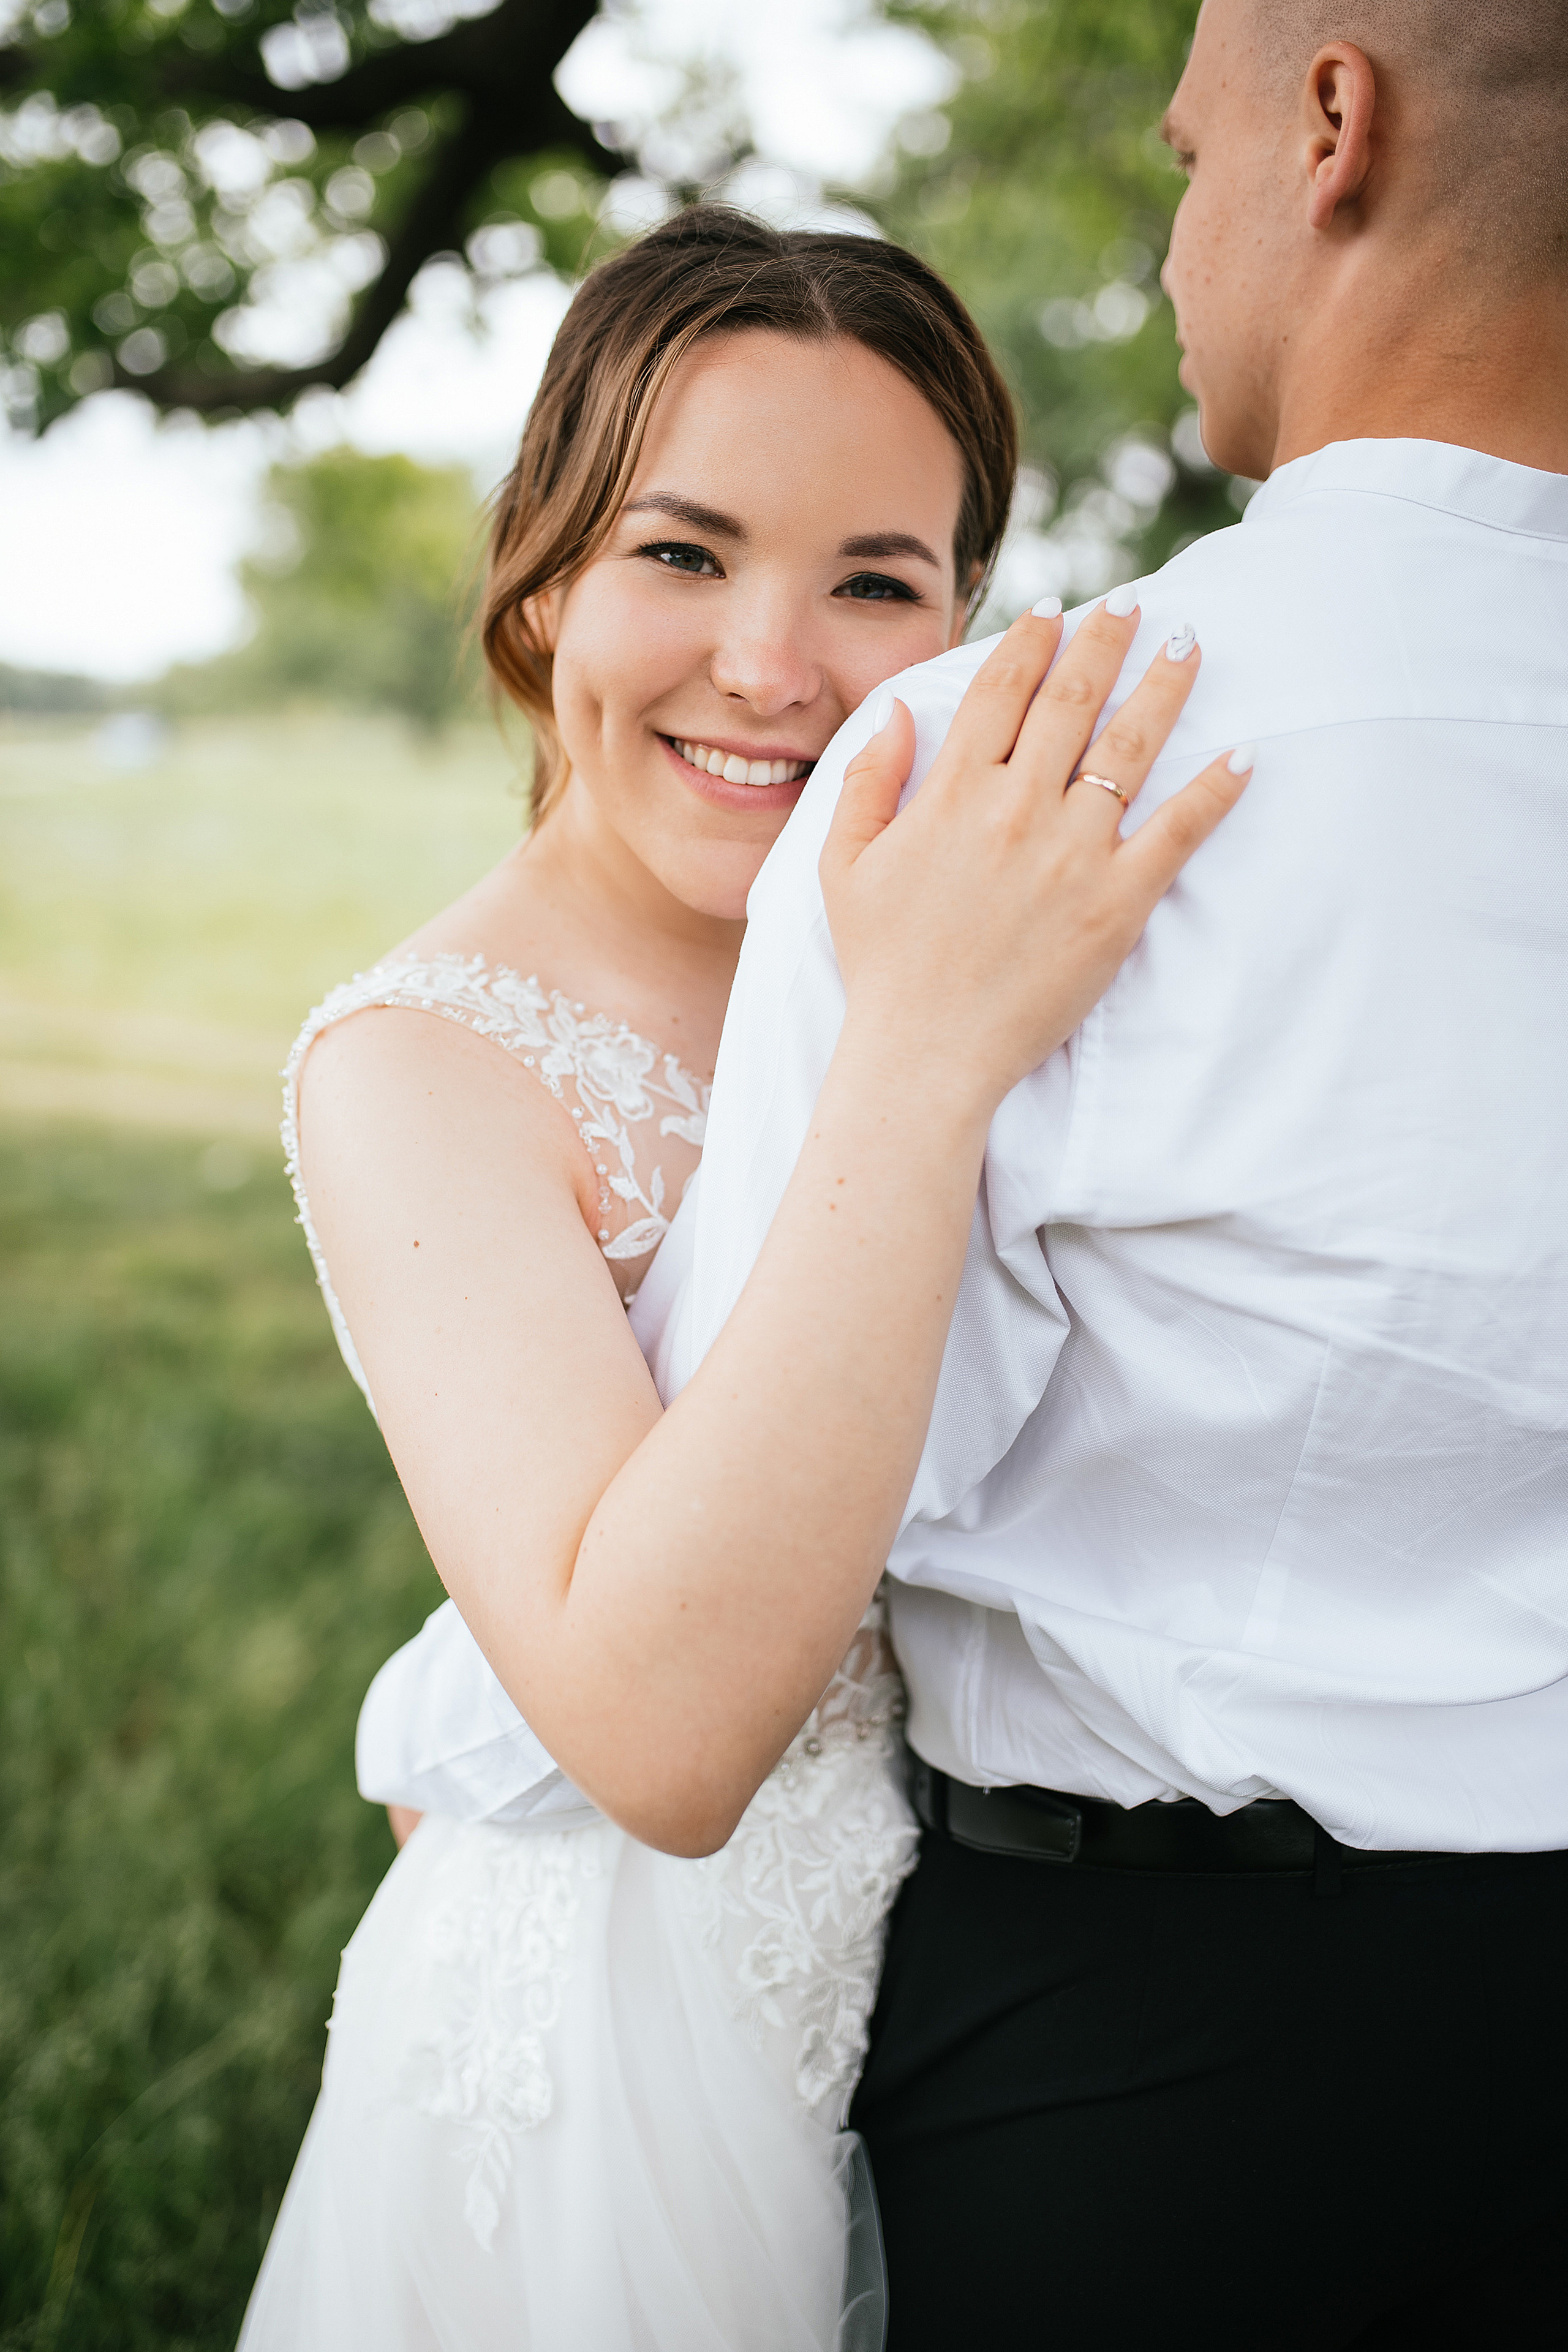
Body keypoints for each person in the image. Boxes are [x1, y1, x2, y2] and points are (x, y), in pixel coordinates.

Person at [240, 208, 1247, 2350]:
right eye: (682, 554)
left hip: (1020, 2008)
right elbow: (668, 1744)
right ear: (543, 574)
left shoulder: (1007, 926)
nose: (774, 665)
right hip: (639, 2054)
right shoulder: (425, 1068)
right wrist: (929, 1047)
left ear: (969, 620)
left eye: (874, 581)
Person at [648, 4, 1568, 2345]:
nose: (1172, 252)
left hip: (1165, 2065)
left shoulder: (1019, 765)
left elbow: (775, 1533)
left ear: (1332, 123)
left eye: (1184, 160)